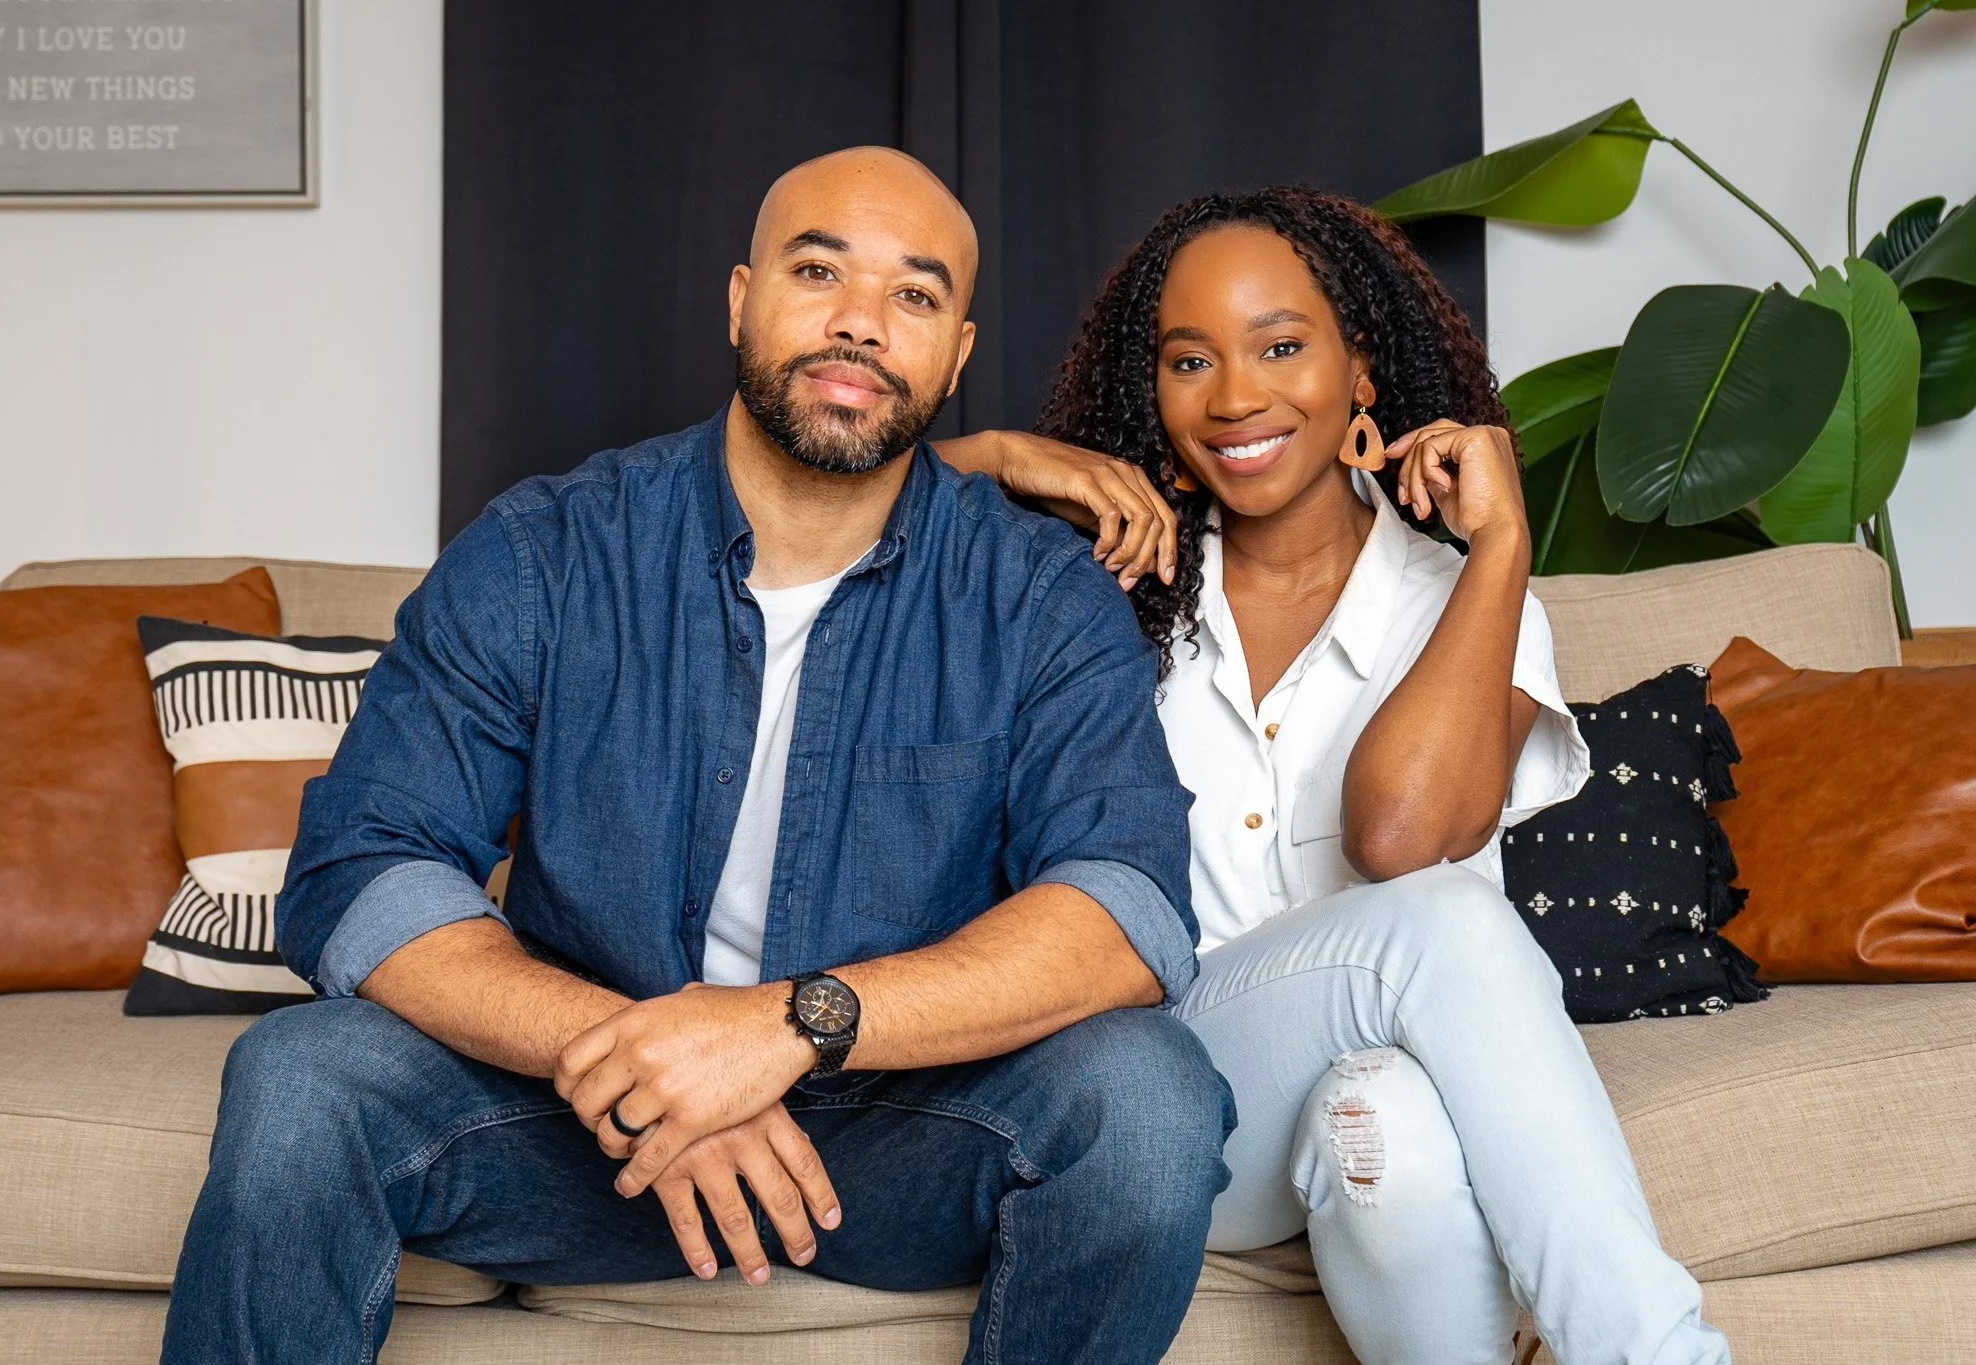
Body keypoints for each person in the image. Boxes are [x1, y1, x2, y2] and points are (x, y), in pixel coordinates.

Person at [160, 147, 1234, 1365]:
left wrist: (783, 1029)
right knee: (303, 1077)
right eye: (817, 271)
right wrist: (649, 1066)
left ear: (956, 354)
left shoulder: (1036, 594)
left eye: (913, 295)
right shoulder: (547, 549)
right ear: (739, 299)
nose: (860, 322)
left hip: (899, 1130)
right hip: (578, 1125)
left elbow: (1121, 910)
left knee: (1144, 1097)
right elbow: (364, 866)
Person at [948, 187, 1732, 1365]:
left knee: (1388, 1121)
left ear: (1358, 365)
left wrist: (1500, 545)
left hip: (1350, 1104)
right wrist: (1003, 455)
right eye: (1188, 361)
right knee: (1446, 923)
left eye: (1279, 347)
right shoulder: (1106, 581)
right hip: (1156, 1095)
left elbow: (1400, 831)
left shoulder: (1462, 596)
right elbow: (838, 517)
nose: (1234, 397)